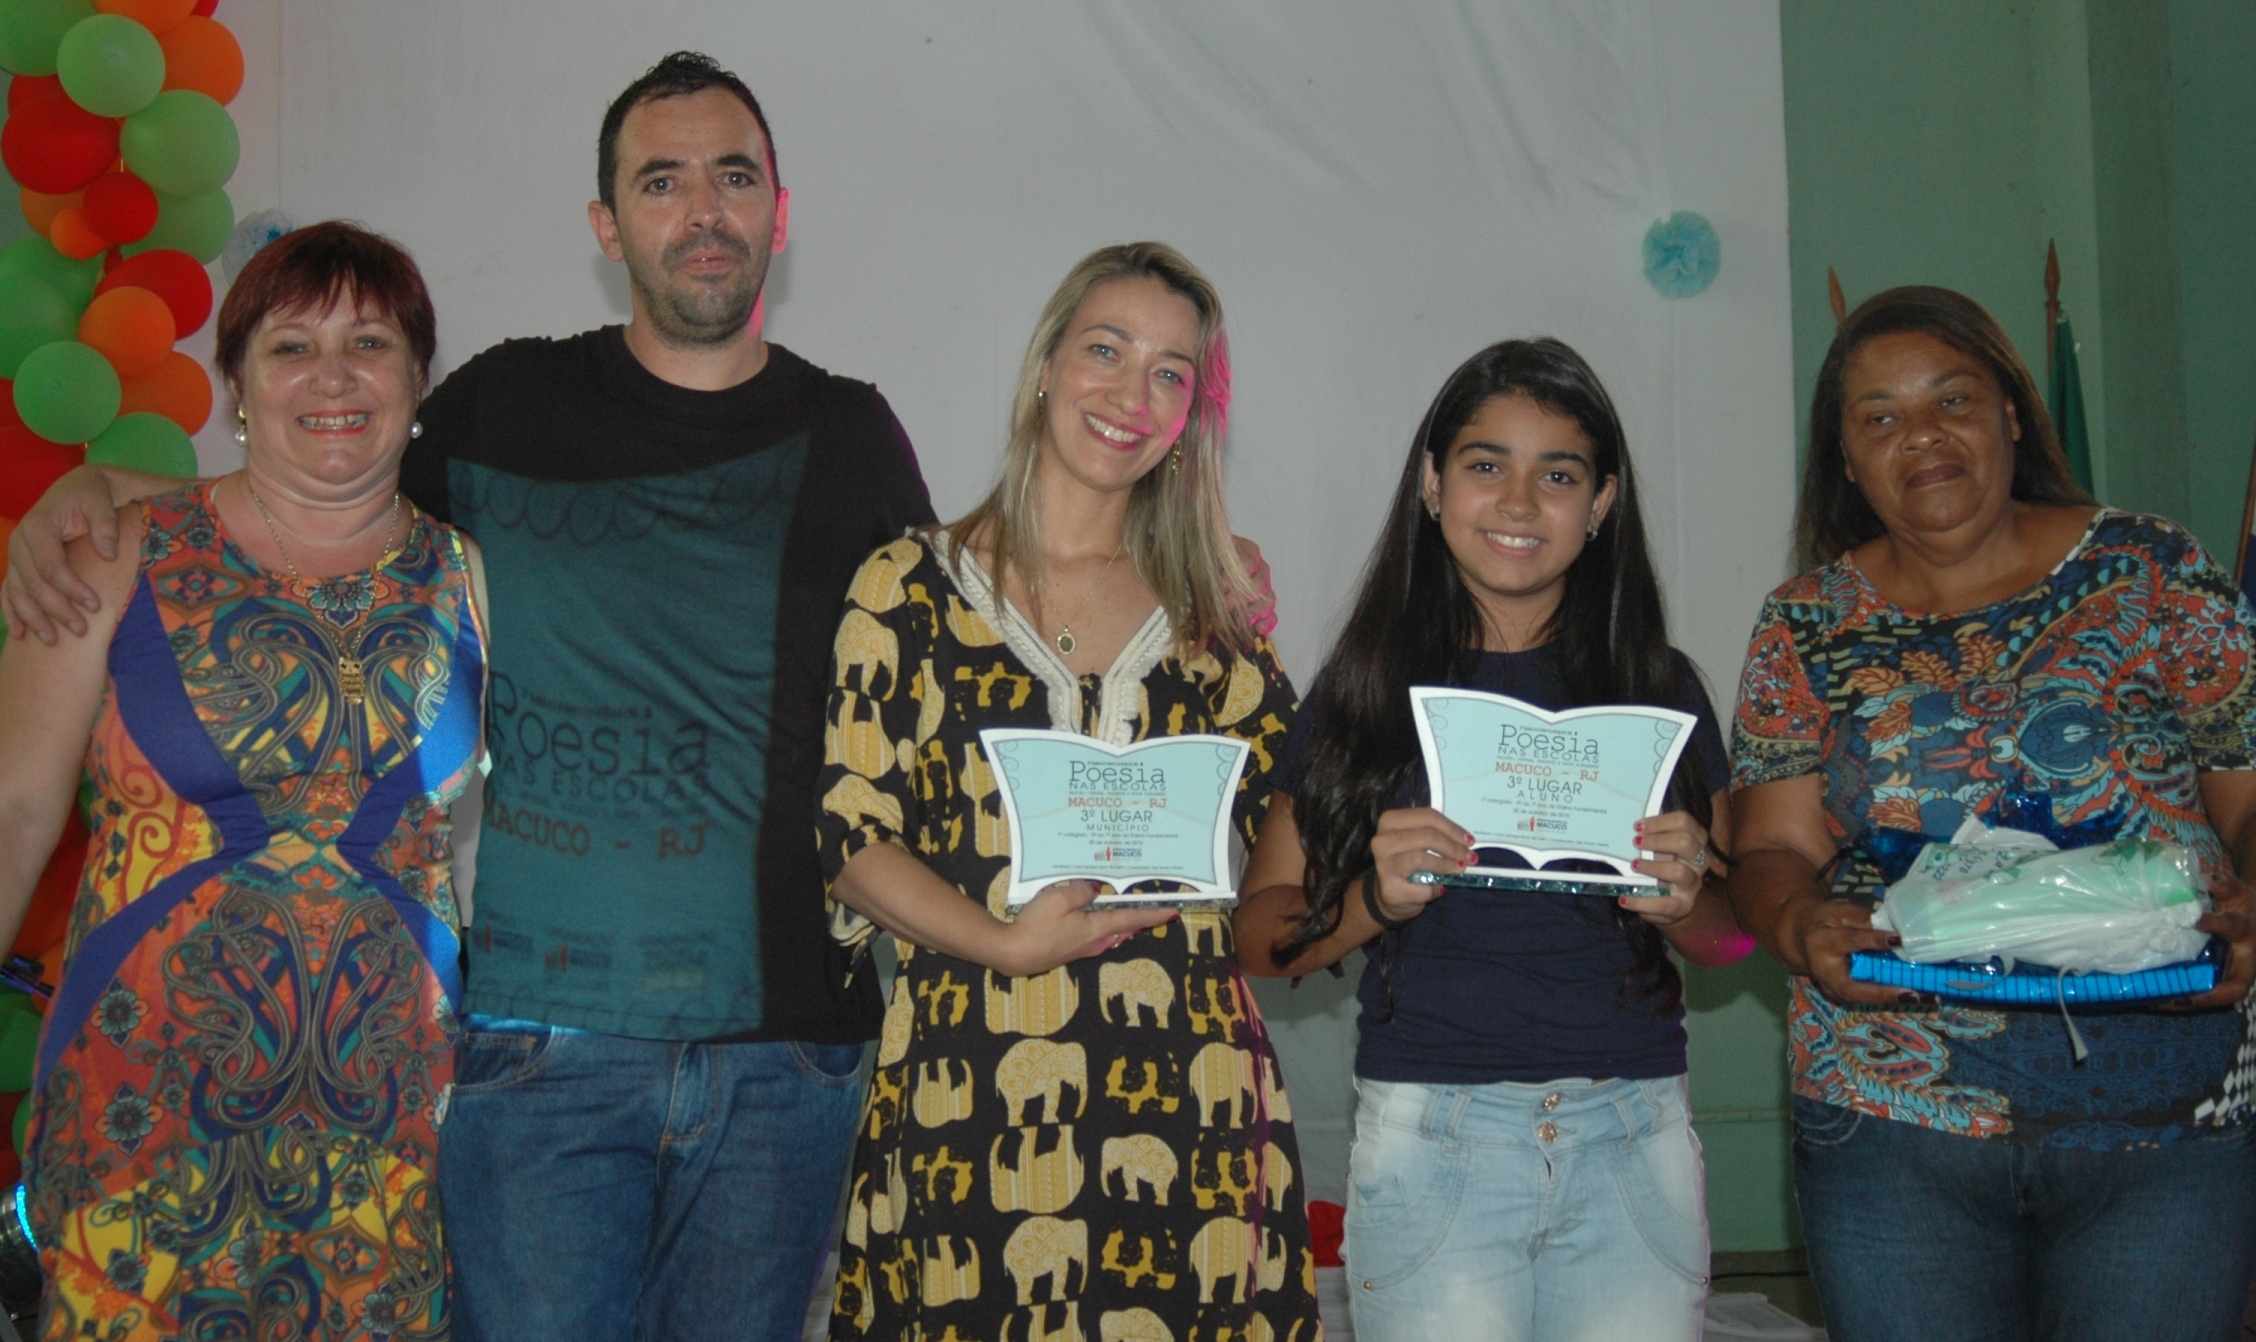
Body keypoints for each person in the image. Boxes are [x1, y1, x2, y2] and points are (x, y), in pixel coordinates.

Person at [2, 52, 937, 1340]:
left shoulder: (853, 434)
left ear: (780, 211)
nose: (702, 210)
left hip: (783, 1058)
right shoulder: (504, 407)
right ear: (606, 225)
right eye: (660, 181)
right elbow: (302, 497)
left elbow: (950, 647)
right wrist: (92, 488)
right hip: (528, 1059)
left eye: (733, 177)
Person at [1727, 285, 2256, 1342]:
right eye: (1880, 416)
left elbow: (2248, 799)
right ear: (1846, 459)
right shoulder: (1805, 623)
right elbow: (1773, 845)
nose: (1921, 435)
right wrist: (1798, 922)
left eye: (1952, 399)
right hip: (1892, 1116)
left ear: (2012, 412)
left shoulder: (2155, 571)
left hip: (2168, 1104)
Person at [816, 241, 1320, 1339]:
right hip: (970, 1088)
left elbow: (1299, 815)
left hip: (1191, 1095)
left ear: (1192, 413)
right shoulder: (905, 588)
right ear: (1047, 364)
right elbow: (852, 835)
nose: (1133, 394)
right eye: (1106, 350)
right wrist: (1002, 944)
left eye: (1171, 372)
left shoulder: (1214, 611)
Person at [0, 223, 480, 1337]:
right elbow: (15, 811)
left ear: (419, 380)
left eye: (369, 343)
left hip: (388, 1132)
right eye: (289, 347)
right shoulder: (112, 552)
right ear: (235, 385)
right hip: (139, 1111)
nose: (332, 377)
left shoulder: (469, 577)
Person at [1232, 337, 1752, 1342]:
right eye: (1486, 464)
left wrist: (1689, 904)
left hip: (1632, 1130)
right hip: (1434, 1138)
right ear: (1433, 485)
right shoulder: (1364, 691)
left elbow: (1732, 940)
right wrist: (1370, 901)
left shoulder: (1660, 687)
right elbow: (1259, 935)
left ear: (1601, 503)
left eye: (1558, 474)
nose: (1519, 502)